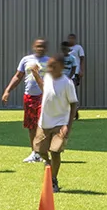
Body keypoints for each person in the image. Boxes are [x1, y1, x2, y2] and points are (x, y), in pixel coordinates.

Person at [34, 53, 79, 192]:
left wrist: (68, 126)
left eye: (53, 66)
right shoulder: (47, 77)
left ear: (61, 67)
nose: (50, 69)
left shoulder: (67, 83)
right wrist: (36, 75)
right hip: (44, 122)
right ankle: (48, 165)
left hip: (60, 122)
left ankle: (53, 180)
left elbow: (73, 104)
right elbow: (45, 89)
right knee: (39, 150)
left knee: (55, 151)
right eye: (49, 66)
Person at [2, 37, 51, 163]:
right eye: (38, 46)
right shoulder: (26, 60)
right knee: (31, 126)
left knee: (43, 125)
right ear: (34, 47)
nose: (40, 48)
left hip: (44, 96)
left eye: (42, 46)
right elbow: (18, 76)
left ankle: (44, 152)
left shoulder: (50, 61)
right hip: (29, 96)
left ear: (46, 48)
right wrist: (7, 90)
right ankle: (35, 152)